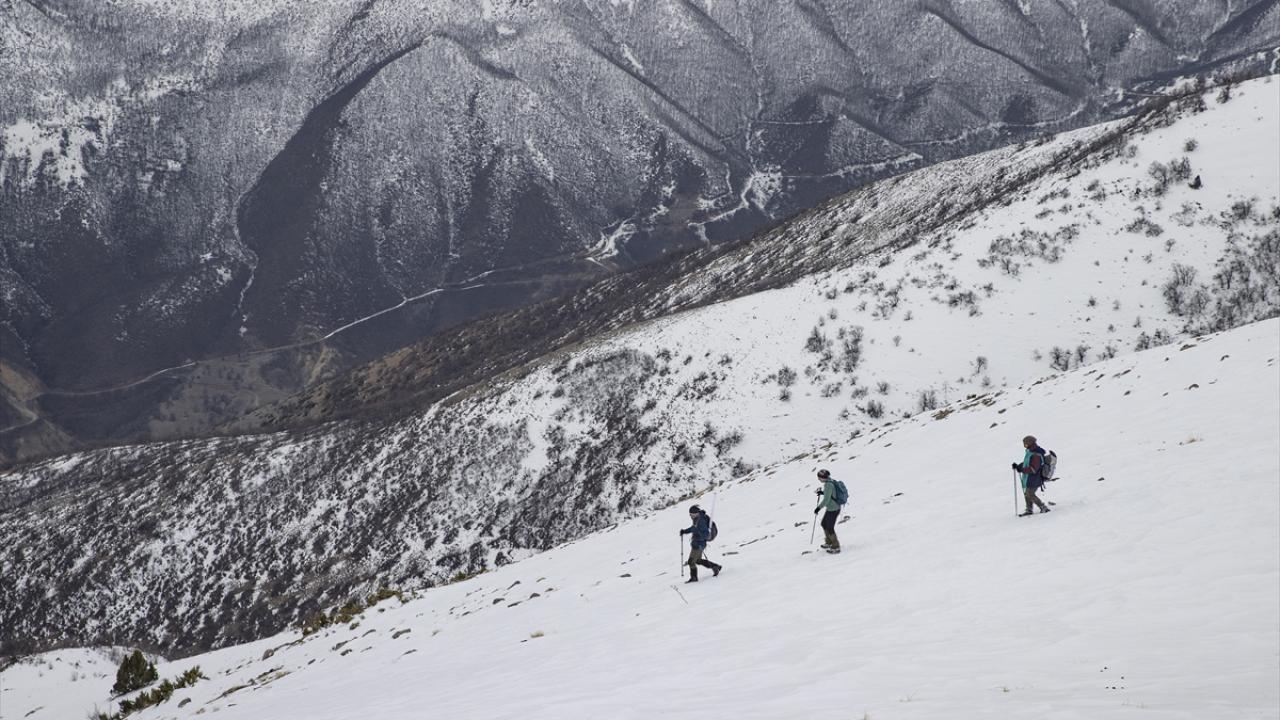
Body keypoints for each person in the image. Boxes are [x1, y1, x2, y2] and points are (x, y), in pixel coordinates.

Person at [679, 505, 721, 582]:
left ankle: (694, 578)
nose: (690, 516)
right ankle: (715, 566)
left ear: (695, 513)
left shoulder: (700, 521)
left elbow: (706, 534)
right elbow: (693, 528)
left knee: (691, 562)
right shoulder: (698, 518)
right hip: (698, 543)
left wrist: (698, 537)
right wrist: (685, 531)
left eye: (691, 514)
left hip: (698, 544)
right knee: (698, 560)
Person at [1013, 435, 1051, 516]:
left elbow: (1033, 469)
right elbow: (1027, 463)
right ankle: (1029, 510)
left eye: (1025, 444)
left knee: (1030, 493)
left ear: (1030, 443)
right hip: (1030, 478)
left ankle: (1043, 507)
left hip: (1035, 477)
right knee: (1027, 493)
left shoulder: (1036, 454)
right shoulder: (1030, 452)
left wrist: (1022, 469)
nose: (1024, 445)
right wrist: (1018, 466)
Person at [814, 469, 841, 553]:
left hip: (833, 509)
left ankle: (836, 546)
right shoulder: (828, 483)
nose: (818, 479)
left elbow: (826, 500)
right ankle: (829, 542)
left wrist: (818, 508)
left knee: (829, 527)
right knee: (824, 524)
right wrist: (822, 492)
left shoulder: (829, 485)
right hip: (831, 508)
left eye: (819, 477)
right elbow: (829, 494)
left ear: (823, 477)